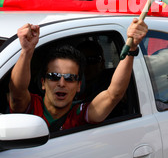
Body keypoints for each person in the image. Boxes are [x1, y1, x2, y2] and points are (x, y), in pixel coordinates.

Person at [8, 18, 148, 131]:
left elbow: (113, 95)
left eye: (70, 78)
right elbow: (17, 90)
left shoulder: (80, 115)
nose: (61, 83)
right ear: (43, 82)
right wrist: (26, 51)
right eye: (54, 76)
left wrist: (132, 48)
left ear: (79, 86)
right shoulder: (31, 106)